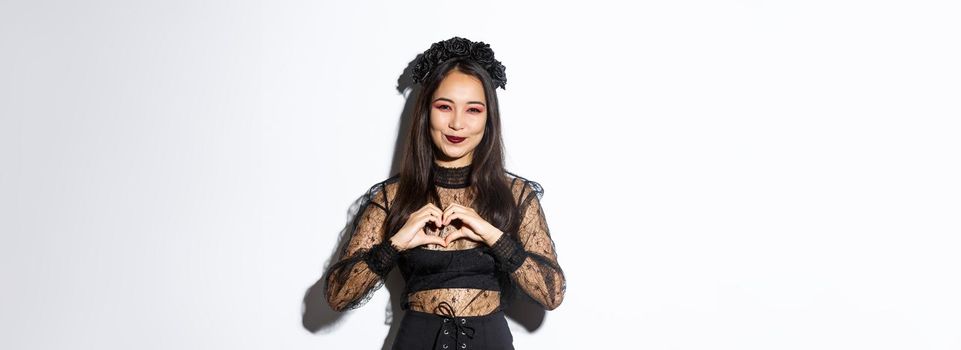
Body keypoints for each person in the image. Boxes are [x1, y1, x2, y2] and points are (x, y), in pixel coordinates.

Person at [323, 36, 566, 350]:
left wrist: (492, 235)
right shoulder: (392, 197)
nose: (457, 123)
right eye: (444, 107)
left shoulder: (516, 195)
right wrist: (395, 244)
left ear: (488, 118)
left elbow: (552, 293)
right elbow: (337, 295)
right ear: (427, 112)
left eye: (473, 110)